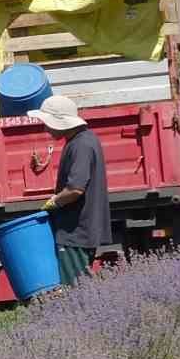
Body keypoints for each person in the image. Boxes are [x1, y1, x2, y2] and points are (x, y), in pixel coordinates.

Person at [32, 95, 111, 286]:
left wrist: (54, 202)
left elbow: (75, 189)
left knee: (74, 292)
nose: (46, 128)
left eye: (47, 123)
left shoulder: (81, 144)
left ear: (60, 121)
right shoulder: (84, 140)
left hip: (76, 232)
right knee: (80, 288)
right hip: (80, 231)